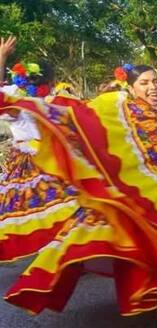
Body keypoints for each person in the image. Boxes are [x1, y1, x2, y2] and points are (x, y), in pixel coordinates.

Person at [0, 57, 157, 327]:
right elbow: (80, 121)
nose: (153, 87)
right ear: (131, 87)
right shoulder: (121, 115)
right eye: (144, 83)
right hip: (152, 194)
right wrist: (24, 102)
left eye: (155, 82)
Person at [0, 36, 78, 263]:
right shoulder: (18, 99)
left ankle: (60, 250)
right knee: (41, 207)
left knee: (56, 207)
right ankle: (55, 251)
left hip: (53, 158)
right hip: (31, 161)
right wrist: (2, 57)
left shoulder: (57, 98)